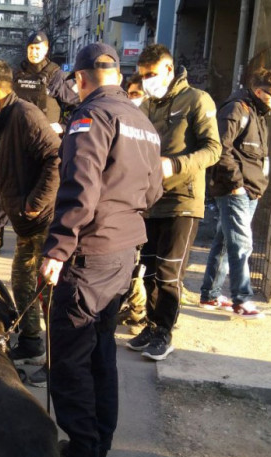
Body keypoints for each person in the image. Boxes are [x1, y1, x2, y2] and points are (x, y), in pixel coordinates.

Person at [39, 43, 163, 457]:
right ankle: (94, 455)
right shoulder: (141, 121)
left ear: (81, 79)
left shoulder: (91, 117)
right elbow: (153, 191)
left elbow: (80, 187)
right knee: (100, 357)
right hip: (123, 250)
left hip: (90, 253)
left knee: (70, 364)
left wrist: (57, 249)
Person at [126, 44, 221, 361]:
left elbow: (213, 149)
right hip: (151, 200)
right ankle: (152, 327)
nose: (147, 81)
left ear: (168, 69)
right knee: (149, 270)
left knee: (169, 272)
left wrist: (176, 164)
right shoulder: (147, 106)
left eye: (151, 74)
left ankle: (164, 333)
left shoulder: (196, 100)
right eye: (143, 75)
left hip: (183, 200)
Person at [0, 59, 62, 387]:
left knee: (46, 290)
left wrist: (34, 203)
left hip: (42, 220)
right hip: (26, 223)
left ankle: (56, 362)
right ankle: (32, 342)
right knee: (23, 282)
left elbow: (56, 157)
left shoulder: (25, 115)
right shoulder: (2, 118)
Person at [199, 68, 271, 319]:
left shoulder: (257, 114)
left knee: (225, 242)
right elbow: (221, 149)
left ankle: (210, 294)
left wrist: (256, 187)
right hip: (235, 190)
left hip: (248, 190)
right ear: (259, 91)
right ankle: (242, 299)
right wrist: (236, 184)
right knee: (241, 244)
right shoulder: (236, 110)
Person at [0, 30, 79, 256]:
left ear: (46, 49)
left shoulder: (55, 76)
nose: (34, 52)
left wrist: (63, 126)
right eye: (30, 48)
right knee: (4, 190)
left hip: (42, 144)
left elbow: (77, 105)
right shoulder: (16, 75)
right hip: (14, 142)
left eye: (38, 48)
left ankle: (39, 242)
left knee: (43, 193)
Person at [116, 71, 149, 332]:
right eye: (130, 94)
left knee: (139, 266)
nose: (133, 98)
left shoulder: (147, 123)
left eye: (137, 94)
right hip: (129, 205)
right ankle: (136, 308)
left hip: (144, 203)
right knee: (133, 262)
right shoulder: (127, 119)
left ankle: (139, 310)